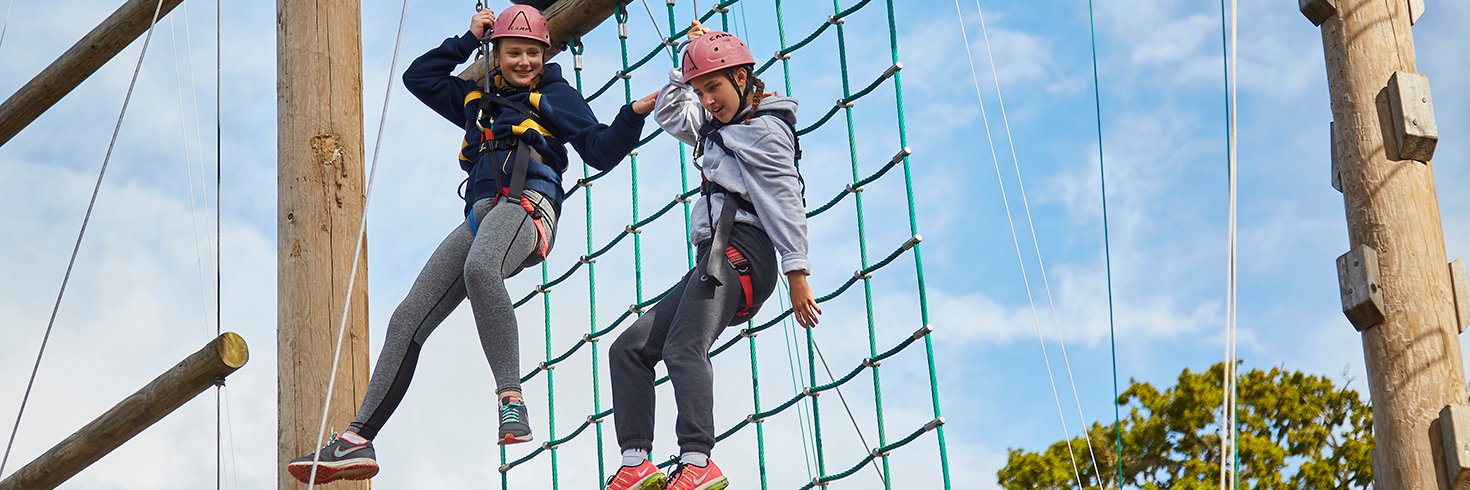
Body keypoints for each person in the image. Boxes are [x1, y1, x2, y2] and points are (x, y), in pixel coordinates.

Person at [286, 4, 657, 484]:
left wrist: (632, 114)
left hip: (528, 206)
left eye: (532, 53)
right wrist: (465, 39)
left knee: (480, 269)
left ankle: (511, 399)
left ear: (544, 55)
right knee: (407, 316)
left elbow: (601, 150)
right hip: (482, 217)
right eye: (512, 52)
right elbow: (419, 77)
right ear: (496, 53)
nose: (523, 62)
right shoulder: (477, 99)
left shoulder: (555, 96)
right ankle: (357, 440)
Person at [603, 20, 821, 490]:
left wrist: (796, 271)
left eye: (714, 87)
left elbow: (784, 200)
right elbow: (669, 111)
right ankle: (637, 460)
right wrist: (691, 59)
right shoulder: (714, 127)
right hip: (714, 258)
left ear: (742, 79)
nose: (707, 100)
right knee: (629, 350)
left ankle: (699, 461)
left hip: (746, 252)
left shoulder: (764, 131)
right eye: (701, 90)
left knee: (684, 347)